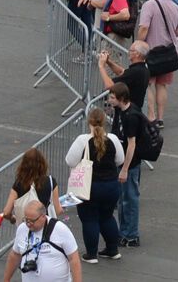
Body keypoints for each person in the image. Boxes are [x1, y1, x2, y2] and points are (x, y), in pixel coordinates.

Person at [66, 107, 125, 260]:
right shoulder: (112, 139)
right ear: (104, 122)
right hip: (111, 186)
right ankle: (113, 250)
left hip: (90, 187)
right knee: (107, 216)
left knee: (89, 219)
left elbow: (70, 161)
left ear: (88, 122)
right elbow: (120, 160)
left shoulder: (82, 140)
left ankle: (91, 254)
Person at [106, 80, 146, 249]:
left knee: (129, 199)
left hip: (130, 164)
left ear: (122, 99)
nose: (110, 100)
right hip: (121, 161)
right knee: (123, 199)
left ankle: (131, 235)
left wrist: (124, 169)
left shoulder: (131, 117)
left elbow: (132, 144)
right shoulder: (120, 110)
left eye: (113, 97)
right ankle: (125, 232)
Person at [135, 0, 178, 124]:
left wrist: (138, 42)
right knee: (162, 85)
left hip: (151, 52)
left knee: (149, 84)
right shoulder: (176, 8)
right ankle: (160, 118)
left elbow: (143, 28)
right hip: (169, 53)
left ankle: (151, 116)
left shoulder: (149, 5)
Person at [2, 199, 80, 282]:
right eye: (26, 219)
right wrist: (6, 280)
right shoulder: (22, 229)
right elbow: (15, 255)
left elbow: (74, 259)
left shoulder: (60, 229)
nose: (28, 224)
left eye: (32, 221)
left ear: (43, 216)